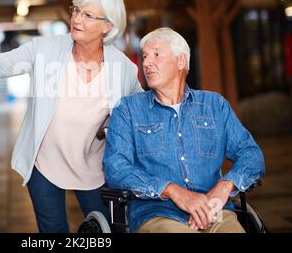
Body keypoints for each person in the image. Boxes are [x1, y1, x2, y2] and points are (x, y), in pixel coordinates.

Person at [0, 0, 142, 232]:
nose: (76, 19)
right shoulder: (45, 49)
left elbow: (140, 110)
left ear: (108, 26)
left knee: (108, 230)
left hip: (95, 165)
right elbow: (0, 66)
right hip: (44, 163)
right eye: (76, 10)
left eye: (87, 15)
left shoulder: (123, 67)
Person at [103, 27, 265, 233]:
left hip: (215, 212)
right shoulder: (128, 109)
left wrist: (225, 187)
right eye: (144, 56)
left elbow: (251, 154)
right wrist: (173, 191)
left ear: (181, 61)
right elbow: (115, 167)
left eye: (156, 55)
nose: (146, 63)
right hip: (157, 213)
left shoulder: (214, 105)